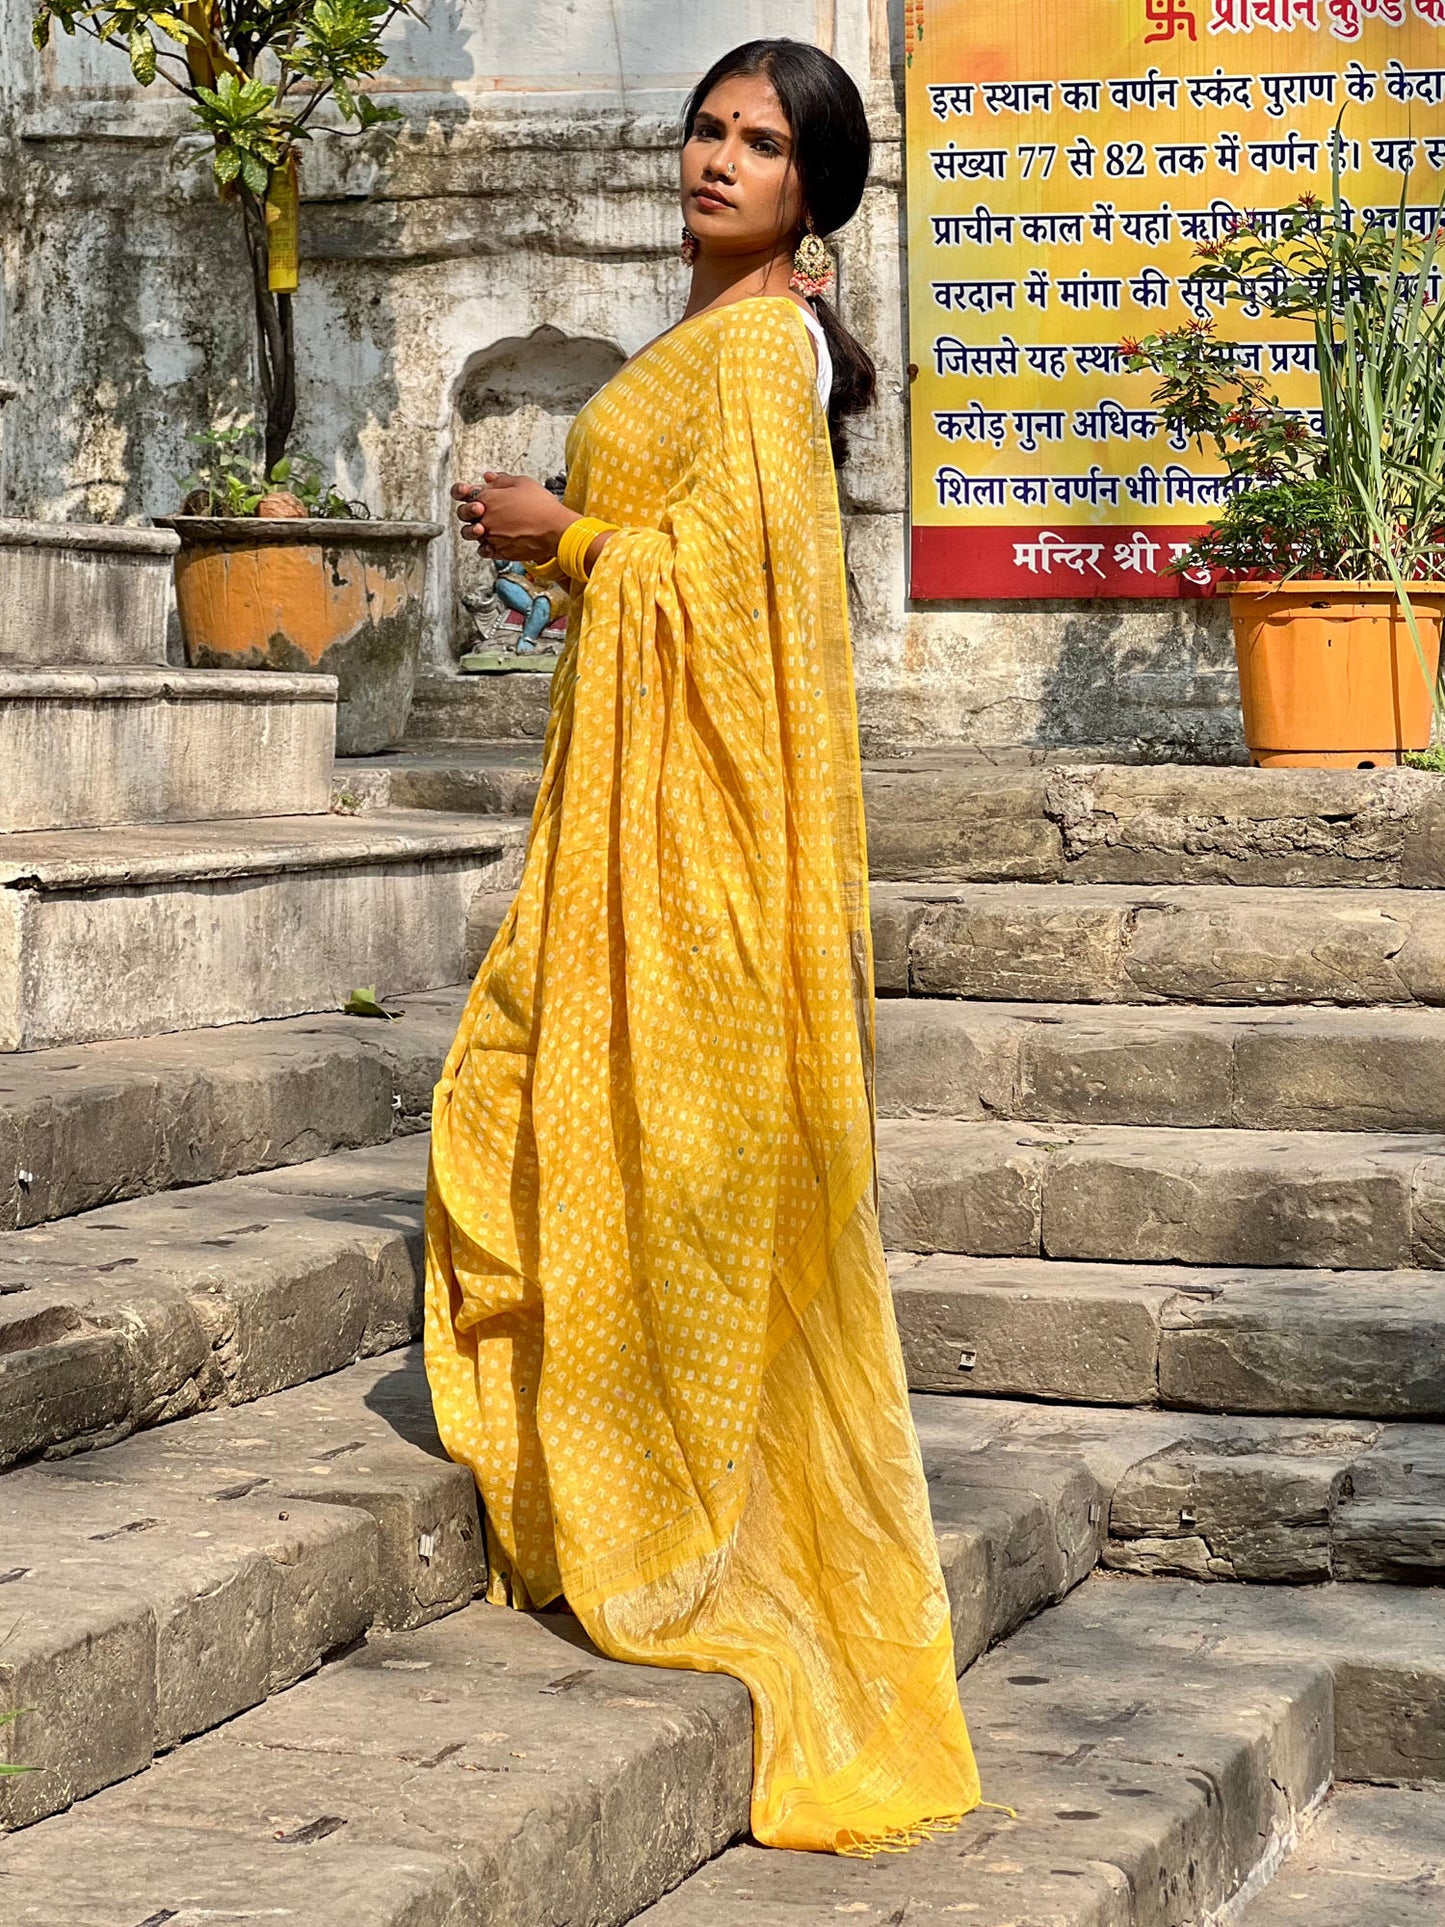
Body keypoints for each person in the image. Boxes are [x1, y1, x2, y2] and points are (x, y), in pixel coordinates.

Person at [424, 36, 981, 1855]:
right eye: (706, 128)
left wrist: (564, 531)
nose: (718, 158)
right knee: (534, 1100)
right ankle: (636, 1458)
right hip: (626, 815)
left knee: (649, 1150)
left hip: (704, 838)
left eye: (762, 143)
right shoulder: (713, 343)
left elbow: (743, 634)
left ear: (815, 193)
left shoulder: (761, 353)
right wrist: (577, 541)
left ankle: (679, 1502)